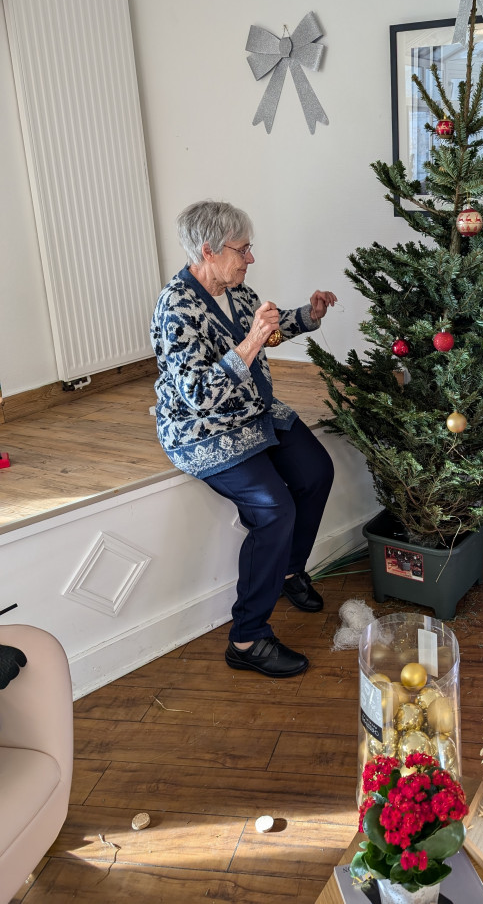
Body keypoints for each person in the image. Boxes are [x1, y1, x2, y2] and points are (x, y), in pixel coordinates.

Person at [151, 200, 337, 679]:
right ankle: (247, 637)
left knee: (317, 472)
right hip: (205, 430)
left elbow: (266, 334)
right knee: (274, 510)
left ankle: (291, 570)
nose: (250, 258)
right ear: (209, 250)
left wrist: (306, 316)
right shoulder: (176, 307)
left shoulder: (236, 289)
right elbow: (198, 395)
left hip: (256, 412)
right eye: (243, 249)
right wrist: (251, 341)